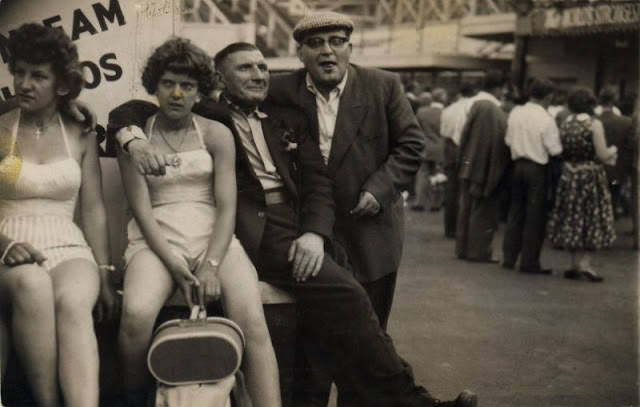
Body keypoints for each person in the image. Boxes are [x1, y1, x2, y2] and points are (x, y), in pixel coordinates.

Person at [110, 41, 476, 407]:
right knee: (347, 299)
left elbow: (317, 182)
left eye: (262, 67)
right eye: (245, 68)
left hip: (299, 226)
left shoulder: (285, 116)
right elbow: (128, 112)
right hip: (259, 228)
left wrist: (314, 234)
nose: (258, 75)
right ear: (219, 78)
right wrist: (131, 138)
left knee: (344, 308)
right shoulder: (205, 112)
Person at [267, 13, 426, 405]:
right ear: (300, 52)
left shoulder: (382, 86)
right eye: (316, 44)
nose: (327, 51)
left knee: (365, 345)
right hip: (310, 238)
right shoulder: (278, 90)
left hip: (371, 235)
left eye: (336, 41)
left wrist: (380, 187)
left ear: (350, 47)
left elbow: (411, 146)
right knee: (312, 350)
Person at [114, 38, 281, 407]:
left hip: (213, 238)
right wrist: (175, 266)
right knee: (136, 315)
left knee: (252, 320)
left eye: (187, 86)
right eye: (168, 83)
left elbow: (226, 207)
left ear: (200, 91)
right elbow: (141, 210)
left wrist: (210, 265)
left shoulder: (217, 133)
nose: (176, 94)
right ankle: (133, 399)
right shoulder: (136, 141)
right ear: (153, 85)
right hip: (155, 240)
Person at [0, 23, 117, 407]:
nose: (24, 83)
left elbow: (94, 206)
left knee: (72, 302)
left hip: (69, 245)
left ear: (62, 85)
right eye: (18, 72)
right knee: (32, 283)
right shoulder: (0, 128)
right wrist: (5, 245)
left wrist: (104, 271)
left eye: (38, 75)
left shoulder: (81, 131)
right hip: (8, 242)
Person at [547, 86, 617, 282]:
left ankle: (573, 263)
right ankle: (586, 264)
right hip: (590, 175)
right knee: (592, 217)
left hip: (570, 176)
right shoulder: (594, 125)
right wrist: (613, 150)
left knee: (572, 216)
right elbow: (602, 154)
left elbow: (562, 150)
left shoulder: (566, 123)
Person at [502, 77, 562, 274]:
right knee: (534, 216)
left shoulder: (516, 113)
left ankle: (509, 257)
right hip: (537, 168)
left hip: (517, 165)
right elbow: (554, 150)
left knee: (515, 212)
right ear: (549, 96)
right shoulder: (546, 119)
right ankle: (529, 261)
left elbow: (509, 140)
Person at [456, 70, 510, 262]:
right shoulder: (491, 109)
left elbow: (464, 137)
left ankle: (464, 248)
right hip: (483, 168)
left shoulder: (475, 104)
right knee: (482, 212)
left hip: (469, 165)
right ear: (497, 88)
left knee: (467, 209)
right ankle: (478, 251)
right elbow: (491, 143)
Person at [440, 80, 476, 238]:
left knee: (451, 189)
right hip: (466, 148)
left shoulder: (448, 110)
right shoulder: (472, 107)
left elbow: (443, 132)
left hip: (450, 148)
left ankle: (450, 227)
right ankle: (463, 229)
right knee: (466, 190)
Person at [596, 86, 634, 218]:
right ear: (615, 99)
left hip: (596, 168)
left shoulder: (593, 120)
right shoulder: (626, 122)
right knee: (613, 198)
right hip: (617, 168)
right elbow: (630, 147)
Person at [412, 87, 447, 212]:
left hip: (425, 146)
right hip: (441, 148)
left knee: (422, 175)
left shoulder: (421, 112)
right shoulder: (446, 112)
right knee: (438, 176)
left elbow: (414, 129)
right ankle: (436, 203)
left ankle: (419, 202)